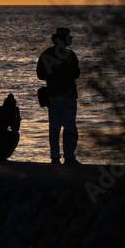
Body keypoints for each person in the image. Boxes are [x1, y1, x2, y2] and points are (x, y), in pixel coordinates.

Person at [37, 27, 81, 164]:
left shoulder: (46, 54)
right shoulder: (69, 54)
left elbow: (40, 75)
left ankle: (54, 157)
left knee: (54, 127)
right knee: (69, 127)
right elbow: (76, 74)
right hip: (67, 95)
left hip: (52, 95)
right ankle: (69, 157)